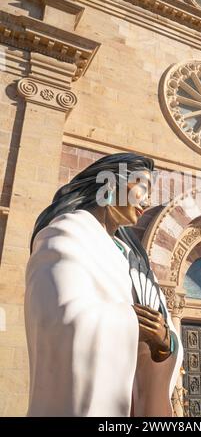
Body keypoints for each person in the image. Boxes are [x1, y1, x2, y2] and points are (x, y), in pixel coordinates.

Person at [25, 152, 183, 417]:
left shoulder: (134, 258)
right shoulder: (67, 232)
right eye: (142, 188)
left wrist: (165, 342)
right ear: (110, 184)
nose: (147, 200)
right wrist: (131, 322)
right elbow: (59, 318)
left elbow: (163, 329)